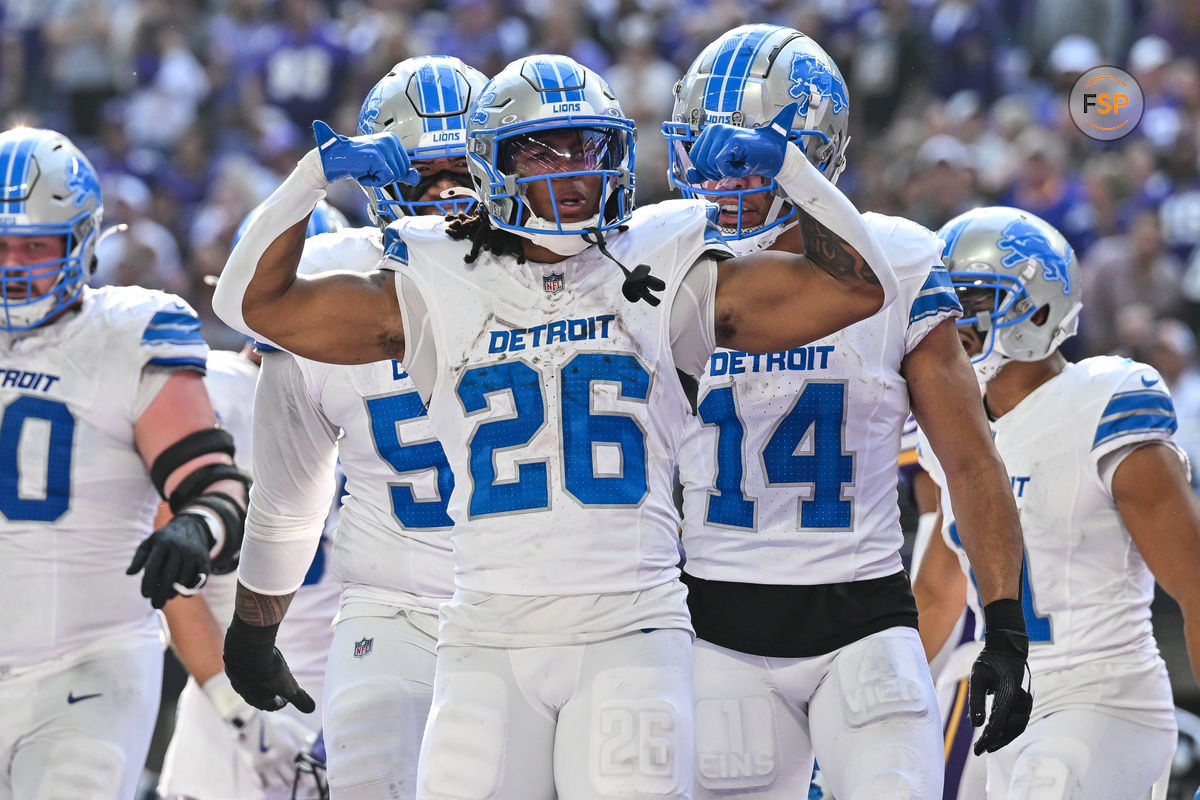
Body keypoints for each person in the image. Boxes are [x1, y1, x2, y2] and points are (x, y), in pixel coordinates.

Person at [212, 53, 898, 799]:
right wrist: (313, 177)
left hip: (630, 626)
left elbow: (862, 289)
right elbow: (250, 307)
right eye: (545, 148)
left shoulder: (661, 263)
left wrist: (792, 169)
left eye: (589, 145)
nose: (574, 169)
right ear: (493, 163)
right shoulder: (438, 274)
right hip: (485, 632)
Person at [661, 24, 1029, 799]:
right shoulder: (659, 261)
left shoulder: (897, 259)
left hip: (863, 618)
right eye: (706, 152)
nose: (721, 180)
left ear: (811, 155)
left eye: (747, 160)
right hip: (711, 625)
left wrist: (1004, 624)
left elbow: (969, 459)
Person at [226, 56, 485, 800]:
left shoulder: (561, 266)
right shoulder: (340, 277)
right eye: (420, 172)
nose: (446, 194)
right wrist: (254, 628)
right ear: (374, 178)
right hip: (392, 606)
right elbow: (289, 498)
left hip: (530, 599)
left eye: (461, 167)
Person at [913, 205, 1200, 798]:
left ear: (1035, 307)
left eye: (971, 301)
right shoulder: (951, 431)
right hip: (1008, 706)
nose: (950, 320)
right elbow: (940, 592)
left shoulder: (1103, 401)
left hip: (1105, 696)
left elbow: (1195, 583)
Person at [0, 126, 249, 799]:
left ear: (81, 242)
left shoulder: (128, 333)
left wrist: (196, 526)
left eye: (35, 244)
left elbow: (211, 480)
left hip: (86, 667)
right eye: (0, 244)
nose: (13, 263)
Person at [157, 201, 348, 800]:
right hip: (229, 726)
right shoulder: (213, 391)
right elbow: (173, 581)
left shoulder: (382, 389)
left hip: (357, 702)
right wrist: (241, 716)